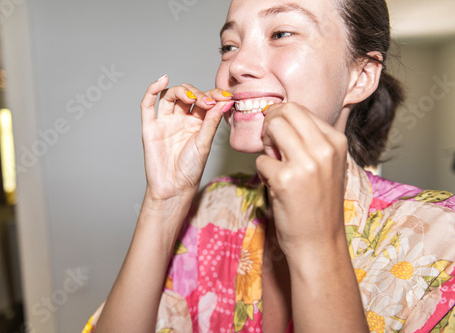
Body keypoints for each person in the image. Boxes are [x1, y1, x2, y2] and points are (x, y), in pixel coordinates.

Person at [83, 0, 455, 332]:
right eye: (229, 45)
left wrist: (317, 245)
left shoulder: (440, 243)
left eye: (281, 33)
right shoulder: (215, 209)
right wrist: (165, 201)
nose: (237, 65)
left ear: (360, 77)